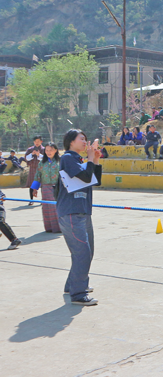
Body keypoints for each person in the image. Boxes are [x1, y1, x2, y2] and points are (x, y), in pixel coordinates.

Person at [58, 129, 103, 306]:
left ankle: (72, 285)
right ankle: (78, 294)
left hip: (83, 211)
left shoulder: (79, 160)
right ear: (71, 142)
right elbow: (85, 176)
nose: (85, 142)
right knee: (82, 252)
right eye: (81, 139)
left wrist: (96, 159)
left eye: (86, 139)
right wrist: (90, 158)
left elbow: (94, 180)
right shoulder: (68, 158)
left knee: (86, 251)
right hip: (71, 211)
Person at [32, 142, 62, 233]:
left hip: (58, 188)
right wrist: (34, 188)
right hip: (45, 188)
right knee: (46, 207)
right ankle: (49, 227)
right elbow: (38, 175)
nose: (48, 152)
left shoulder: (60, 161)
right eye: (47, 150)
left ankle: (59, 228)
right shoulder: (42, 163)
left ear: (56, 150)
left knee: (56, 207)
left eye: (51, 150)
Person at [24, 136, 44, 204]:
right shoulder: (30, 149)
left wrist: (39, 155)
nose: (37, 143)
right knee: (32, 185)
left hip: (42, 169)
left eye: (38, 141)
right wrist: (32, 154)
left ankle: (43, 200)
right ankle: (31, 200)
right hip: (33, 169)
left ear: (41, 141)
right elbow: (26, 158)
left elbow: (46, 159)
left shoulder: (44, 149)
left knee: (43, 185)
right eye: (35, 141)